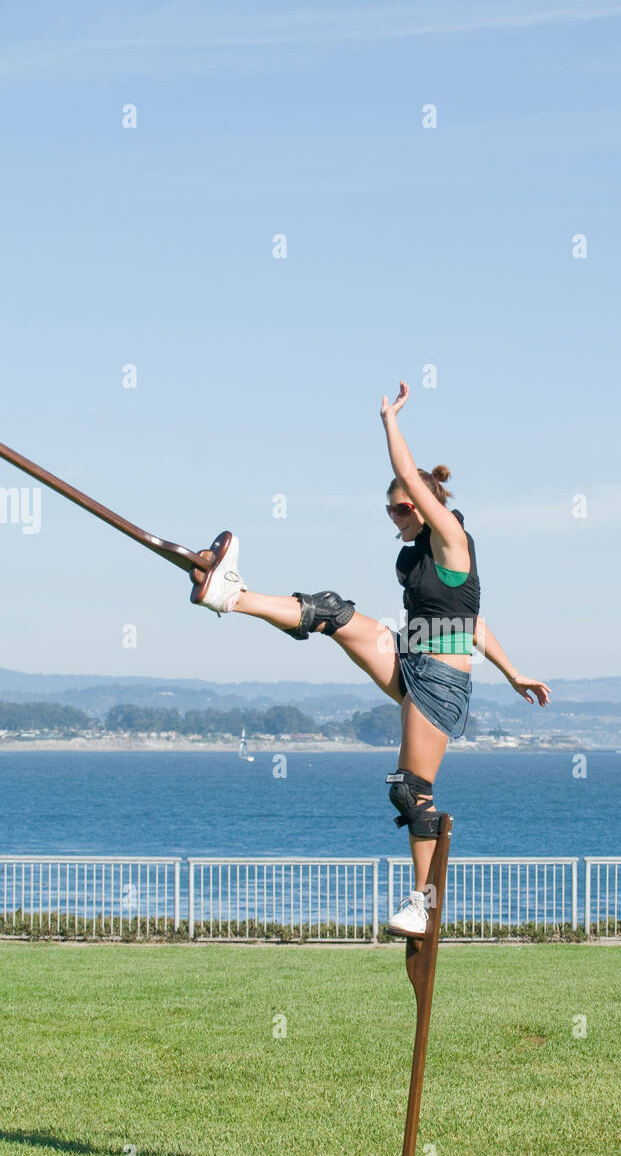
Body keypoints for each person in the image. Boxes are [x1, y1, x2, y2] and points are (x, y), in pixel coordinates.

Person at [188, 382, 550, 937]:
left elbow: (413, 480)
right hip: (409, 657)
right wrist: (514, 670)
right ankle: (229, 596)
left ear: (427, 507)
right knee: (330, 611)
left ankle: (423, 902)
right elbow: (472, 621)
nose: (394, 516)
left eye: (402, 507)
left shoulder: (452, 538)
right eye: (388, 509)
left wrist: (390, 422)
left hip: (440, 684)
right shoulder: (416, 560)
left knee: (410, 791)